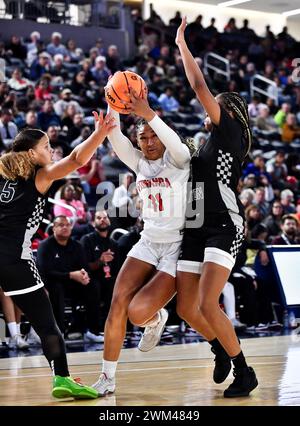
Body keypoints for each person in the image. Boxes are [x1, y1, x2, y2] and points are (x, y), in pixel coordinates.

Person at [0, 112, 116, 399]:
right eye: (46, 147)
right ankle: (62, 378)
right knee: (47, 324)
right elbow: (77, 160)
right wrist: (99, 134)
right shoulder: (40, 177)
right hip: (15, 260)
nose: (51, 152)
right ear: (31, 153)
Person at [175, 17, 258, 398]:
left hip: (225, 223)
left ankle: (244, 371)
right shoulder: (208, 142)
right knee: (188, 309)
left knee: (208, 303)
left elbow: (198, 85)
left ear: (229, 111)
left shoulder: (231, 131)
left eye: (216, 106)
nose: (210, 109)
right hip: (195, 223)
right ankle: (219, 349)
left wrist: (182, 43)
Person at [92, 89, 191, 396]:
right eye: (143, 138)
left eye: (152, 136)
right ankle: (107, 379)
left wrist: (148, 113)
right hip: (148, 240)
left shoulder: (180, 159)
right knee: (117, 304)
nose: (148, 143)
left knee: (137, 313)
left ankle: (156, 316)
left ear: (162, 136)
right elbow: (116, 133)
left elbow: (172, 140)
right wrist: (113, 98)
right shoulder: (139, 163)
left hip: (177, 247)